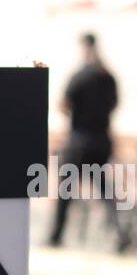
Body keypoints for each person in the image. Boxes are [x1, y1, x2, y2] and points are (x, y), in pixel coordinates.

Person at [49, 33, 123, 248]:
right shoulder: (107, 77)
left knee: (66, 191)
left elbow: (63, 104)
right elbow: (115, 104)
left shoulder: (80, 75)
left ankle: (56, 235)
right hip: (101, 141)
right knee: (106, 192)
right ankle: (119, 233)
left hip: (79, 141)